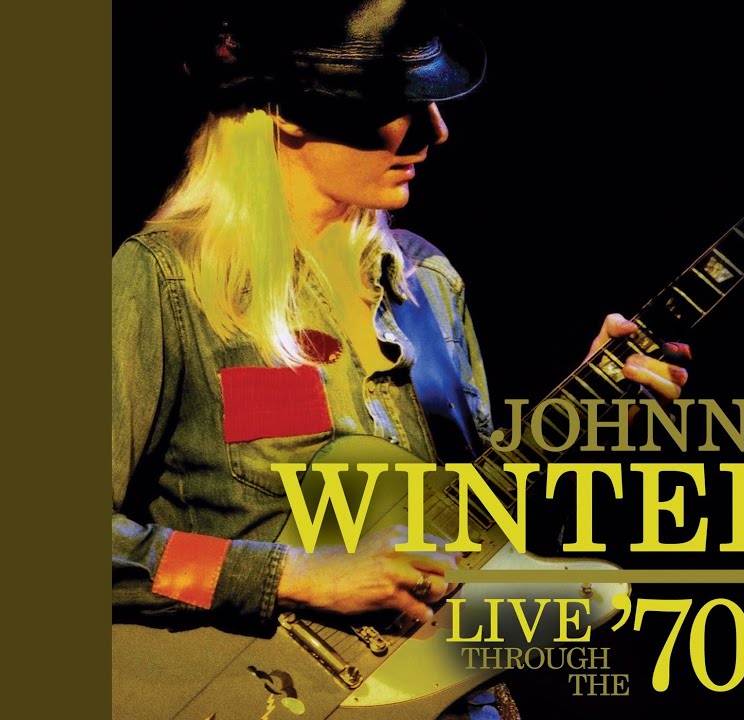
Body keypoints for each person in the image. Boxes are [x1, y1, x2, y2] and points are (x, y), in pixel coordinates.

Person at [112, 2, 689, 717]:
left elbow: (478, 529)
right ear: (288, 114)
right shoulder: (166, 280)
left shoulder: (430, 283)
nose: (436, 130)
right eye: (396, 103)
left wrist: (590, 420)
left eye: (434, 103)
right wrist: (295, 575)